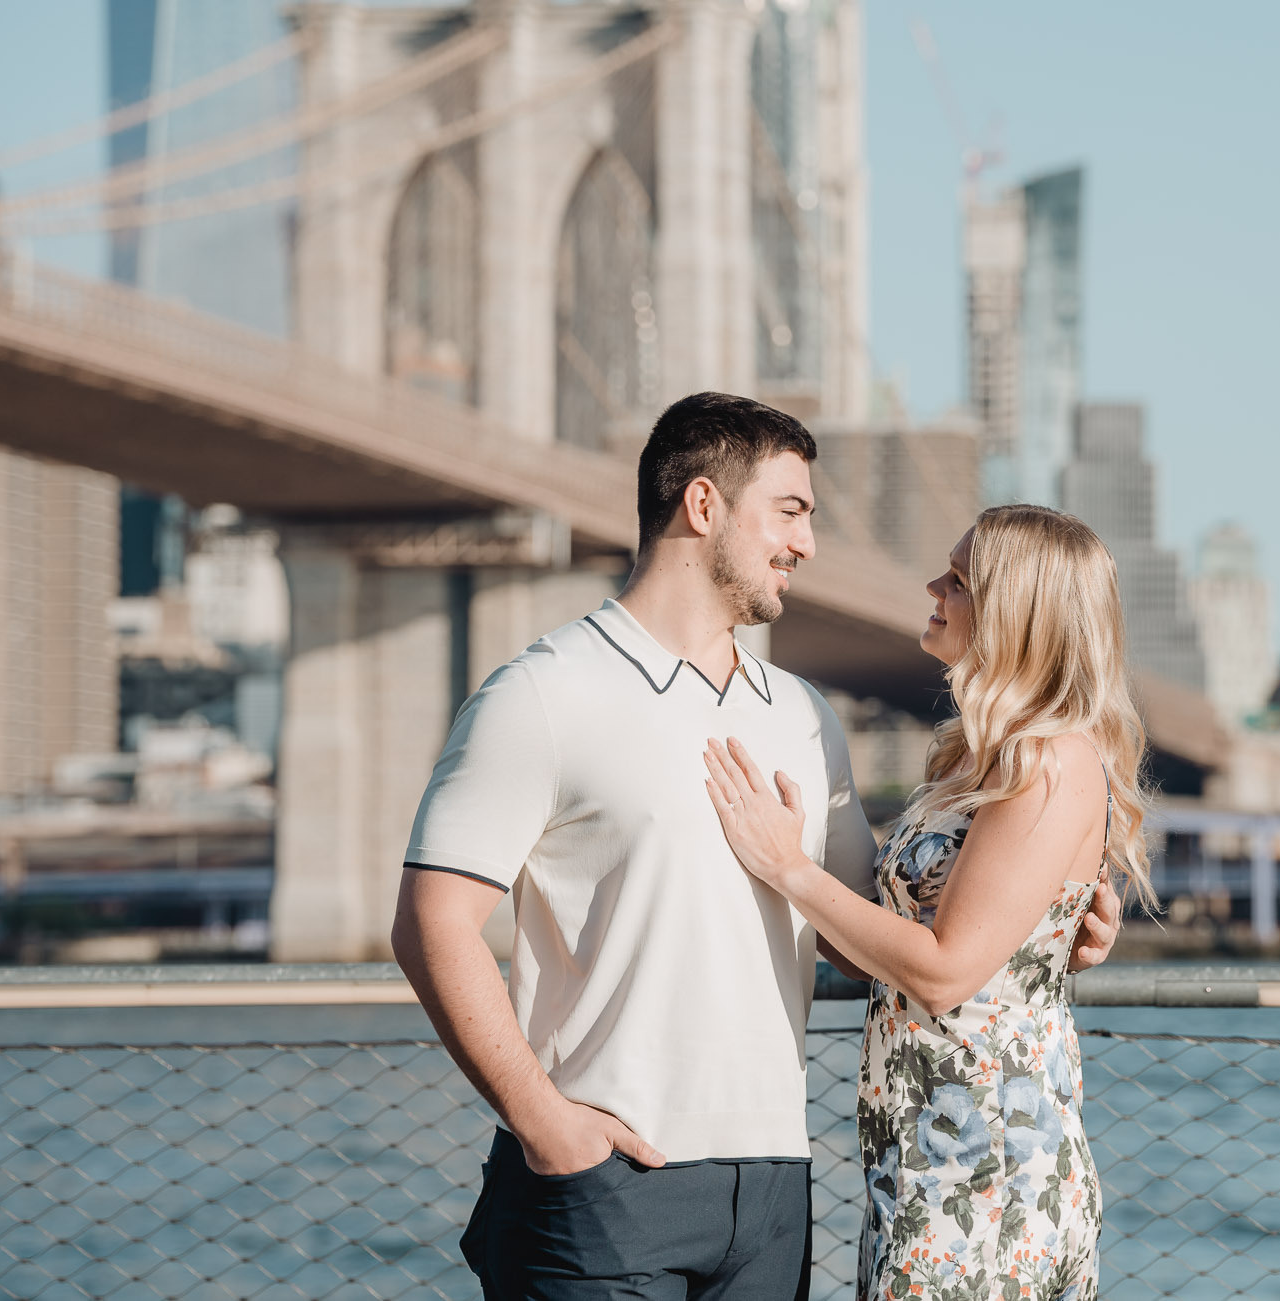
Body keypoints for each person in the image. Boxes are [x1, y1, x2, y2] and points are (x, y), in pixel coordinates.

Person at [389, 394, 1121, 1301]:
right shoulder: (543, 693)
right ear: (703, 507)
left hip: (776, 1190)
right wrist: (544, 1124)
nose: (809, 544)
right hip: (605, 1178)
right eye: (791, 511)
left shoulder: (807, 718)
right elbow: (433, 921)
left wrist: (1048, 927)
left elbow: (877, 940)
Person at [702, 504, 1155, 1301]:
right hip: (921, 1163)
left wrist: (787, 866)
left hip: (992, 1181)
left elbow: (944, 973)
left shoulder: (1050, 762)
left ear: (1016, 612)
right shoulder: (978, 761)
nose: (932, 586)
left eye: (959, 578)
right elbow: (893, 944)